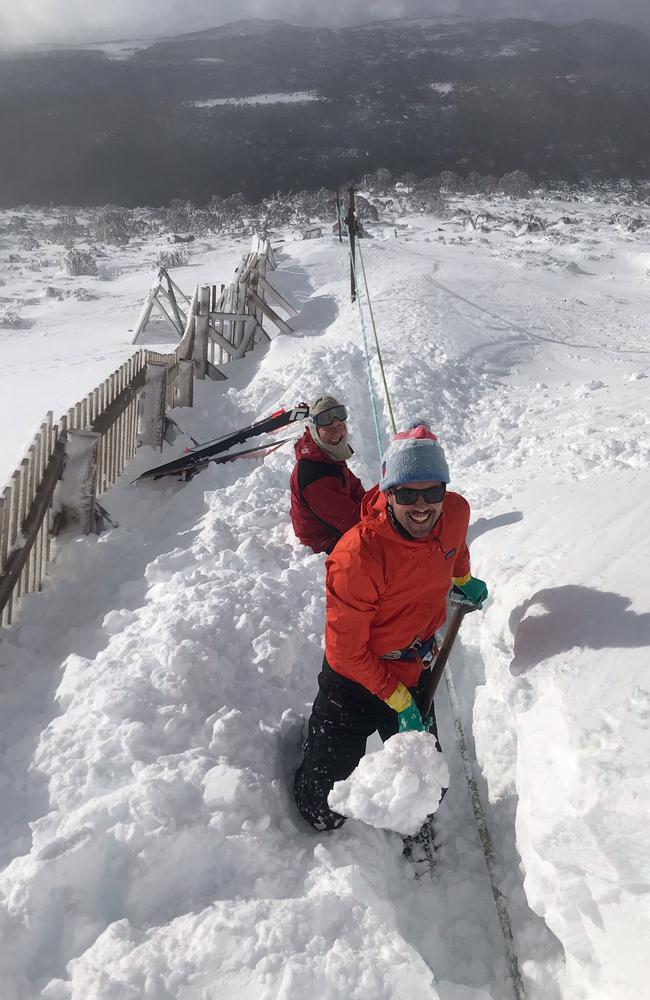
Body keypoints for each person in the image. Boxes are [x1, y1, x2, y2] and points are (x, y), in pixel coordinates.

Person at [294, 422, 488, 831]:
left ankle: (414, 841)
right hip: (355, 681)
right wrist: (397, 701)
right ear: (388, 493)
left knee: (427, 790)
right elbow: (346, 652)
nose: (422, 506)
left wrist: (463, 579)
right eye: (407, 494)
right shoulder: (358, 556)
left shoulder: (454, 512)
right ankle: (314, 744)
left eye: (432, 492)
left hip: (415, 668)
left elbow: (455, 546)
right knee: (320, 810)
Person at [290, 395, 366, 555]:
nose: (337, 434)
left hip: (336, 525)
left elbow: (355, 487)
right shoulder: (314, 473)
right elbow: (349, 521)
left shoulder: (325, 453)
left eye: (340, 426)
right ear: (315, 431)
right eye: (328, 429)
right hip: (324, 542)